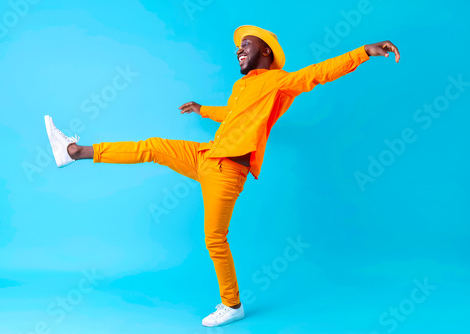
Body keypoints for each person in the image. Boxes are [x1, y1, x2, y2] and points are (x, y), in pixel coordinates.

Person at [44, 25, 400, 327]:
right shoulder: (243, 86)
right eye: (237, 47)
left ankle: (232, 305)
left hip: (227, 170)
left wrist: (363, 52)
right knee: (152, 146)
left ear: (265, 52)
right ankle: (74, 152)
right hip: (206, 155)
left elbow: (317, 74)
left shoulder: (278, 82)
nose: (238, 51)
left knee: (214, 238)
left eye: (245, 46)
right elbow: (233, 114)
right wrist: (203, 110)